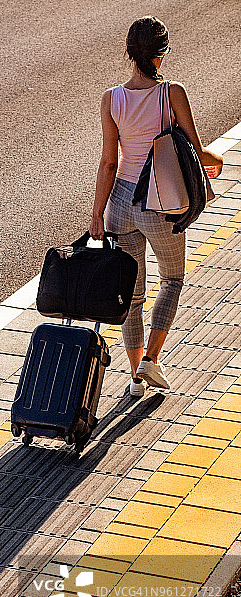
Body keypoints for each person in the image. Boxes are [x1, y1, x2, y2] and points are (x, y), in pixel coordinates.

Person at [89, 16, 223, 396]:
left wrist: (97, 214)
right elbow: (197, 151)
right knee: (173, 279)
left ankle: (134, 380)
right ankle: (150, 359)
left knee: (131, 295)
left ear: (129, 52)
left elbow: (108, 162)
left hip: (119, 204)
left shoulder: (111, 98)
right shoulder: (171, 92)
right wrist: (221, 161)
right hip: (158, 205)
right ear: (162, 54)